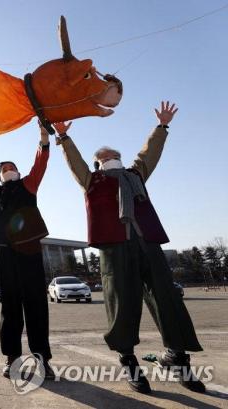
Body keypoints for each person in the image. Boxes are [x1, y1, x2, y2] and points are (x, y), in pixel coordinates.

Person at [55, 101, 205, 394]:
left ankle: (176, 357)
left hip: (147, 243)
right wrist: (64, 138)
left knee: (167, 298)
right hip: (114, 248)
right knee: (121, 303)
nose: (112, 159)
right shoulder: (92, 180)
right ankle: (129, 360)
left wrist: (161, 126)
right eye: (106, 158)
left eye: (115, 156)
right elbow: (75, 163)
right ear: (98, 163)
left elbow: (150, 153)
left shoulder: (135, 175)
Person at [0, 123, 54, 380]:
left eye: (11, 168)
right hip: (5, 254)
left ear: (18, 172)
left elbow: (41, 163)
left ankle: (42, 360)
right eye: (3, 169)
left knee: (37, 306)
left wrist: (43, 137)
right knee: (10, 308)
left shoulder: (29, 185)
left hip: (30, 252)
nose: (7, 170)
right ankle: (12, 359)